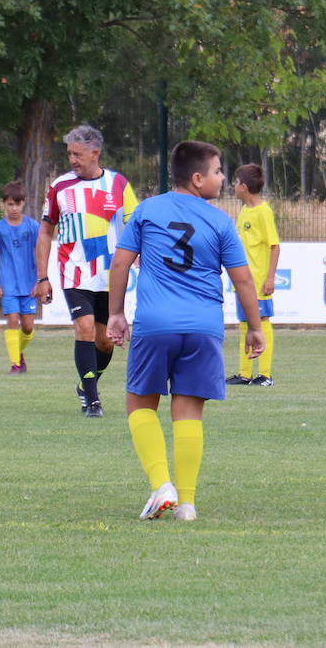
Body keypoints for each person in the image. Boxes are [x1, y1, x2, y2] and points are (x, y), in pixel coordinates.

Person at [106, 140, 264, 521]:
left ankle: (162, 486)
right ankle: (188, 504)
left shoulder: (147, 210)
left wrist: (115, 314)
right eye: (217, 171)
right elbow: (243, 281)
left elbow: (120, 264)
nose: (223, 178)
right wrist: (254, 328)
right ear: (197, 179)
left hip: (156, 324)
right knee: (189, 411)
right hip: (203, 328)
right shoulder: (221, 222)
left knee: (140, 403)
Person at [36, 124, 139, 418]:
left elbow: (135, 226)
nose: (72, 160)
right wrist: (42, 277)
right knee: (83, 329)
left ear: (95, 153)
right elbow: (45, 232)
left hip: (111, 275)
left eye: (78, 154)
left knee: (105, 340)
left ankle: (85, 385)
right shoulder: (60, 187)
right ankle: (92, 400)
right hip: (74, 273)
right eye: (69, 153)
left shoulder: (119, 184)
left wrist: (138, 254)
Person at [226, 163, 280, 387]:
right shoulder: (245, 211)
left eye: (236, 183)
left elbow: (274, 246)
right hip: (243, 281)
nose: (233, 186)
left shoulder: (263, 212)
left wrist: (269, 278)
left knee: (262, 322)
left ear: (244, 187)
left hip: (258, 282)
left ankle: (265, 375)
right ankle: (244, 373)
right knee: (244, 325)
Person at [0, 180, 41, 374]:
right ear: (3, 204)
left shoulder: (33, 226)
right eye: (10, 204)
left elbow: (41, 252)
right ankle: (15, 364)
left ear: (23, 203)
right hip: (8, 285)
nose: (14, 208)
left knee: (27, 328)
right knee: (12, 320)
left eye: (17, 204)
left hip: (29, 285)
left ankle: (18, 354)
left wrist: (40, 280)